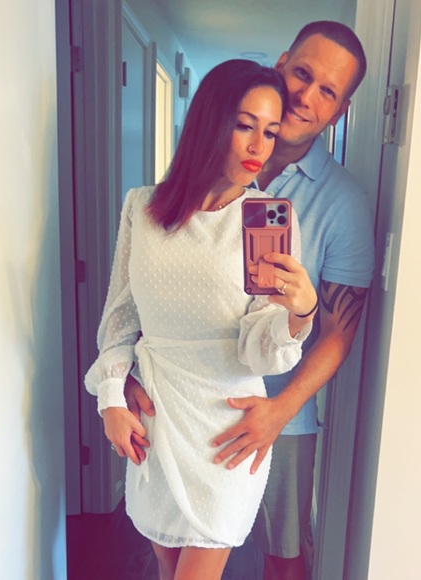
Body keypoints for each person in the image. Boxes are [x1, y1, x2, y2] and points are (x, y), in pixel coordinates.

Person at [126, 21, 375, 580]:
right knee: (169, 548)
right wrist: (133, 371)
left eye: (328, 91)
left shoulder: (344, 203)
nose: (305, 97)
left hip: (280, 413)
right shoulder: (202, 176)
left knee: (283, 557)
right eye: (302, 74)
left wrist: (279, 412)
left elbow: (340, 331)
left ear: (341, 110)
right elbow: (162, 288)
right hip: (181, 406)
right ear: (281, 64)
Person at [84, 59, 319, 580]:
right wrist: (111, 400)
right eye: (245, 125)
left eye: (271, 132)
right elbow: (120, 320)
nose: (259, 146)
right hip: (158, 421)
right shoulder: (143, 209)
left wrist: (299, 313)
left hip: (227, 432)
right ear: (210, 122)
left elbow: (258, 350)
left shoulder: (265, 220)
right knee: (166, 567)